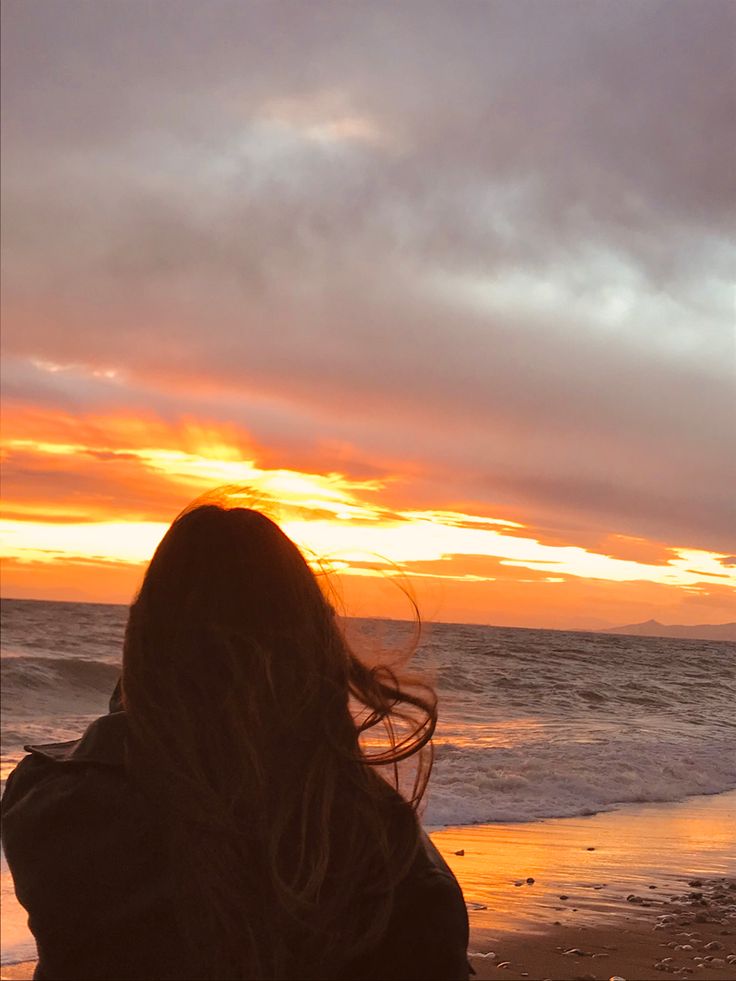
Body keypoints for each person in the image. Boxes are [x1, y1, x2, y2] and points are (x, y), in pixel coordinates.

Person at [2, 501, 469, 980]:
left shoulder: (45, 807)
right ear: (320, 646)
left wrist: (149, 679)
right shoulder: (389, 868)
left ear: (141, 640)